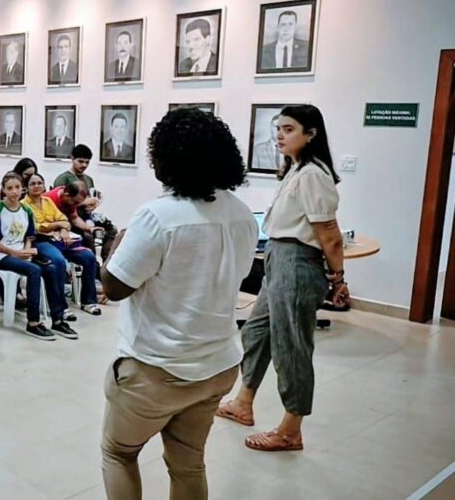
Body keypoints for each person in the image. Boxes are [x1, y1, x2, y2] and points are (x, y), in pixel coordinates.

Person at [99, 107, 256, 499]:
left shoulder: (158, 216)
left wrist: (116, 245)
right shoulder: (242, 214)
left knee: (119, 453)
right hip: (216, 366)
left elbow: (114, 288)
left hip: (157, 369)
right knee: (189, 464)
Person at [216, 104, 346, 452]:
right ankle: (243, 402)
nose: (280, 135)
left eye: (289, 129)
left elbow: (329, 235)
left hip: (297, 262)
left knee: (292, 347)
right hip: (278, 256)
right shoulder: (297, 169)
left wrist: (338, 278)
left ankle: (291, 429)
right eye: (279, 129)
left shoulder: (315, 174)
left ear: (311, 134)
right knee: (257, 332)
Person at [0, 173, 77, 340]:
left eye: (17, 188)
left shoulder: (26, 210)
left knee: (50, 268)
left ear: (23, 189)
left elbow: (29, 236)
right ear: (4, 190)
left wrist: (26, 251)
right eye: (9, 188)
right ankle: (33, 322)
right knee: (34, 271)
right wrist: (16, 253)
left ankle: (57, 319)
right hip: (1, 255)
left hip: (22, 252)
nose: (14, 192)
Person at [23, 173, 101, 317]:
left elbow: (64, 219)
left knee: (89, 256)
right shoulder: (24, 205)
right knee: (58, 262)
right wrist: (58, 225)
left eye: (39, 183)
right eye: (32, 184)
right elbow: (36, 227)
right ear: (26, 187)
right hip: (40, 241)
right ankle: (61, 308)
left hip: (60, 239)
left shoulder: (47, 201)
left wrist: (64, 229)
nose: (36, 186)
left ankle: (88, 301)